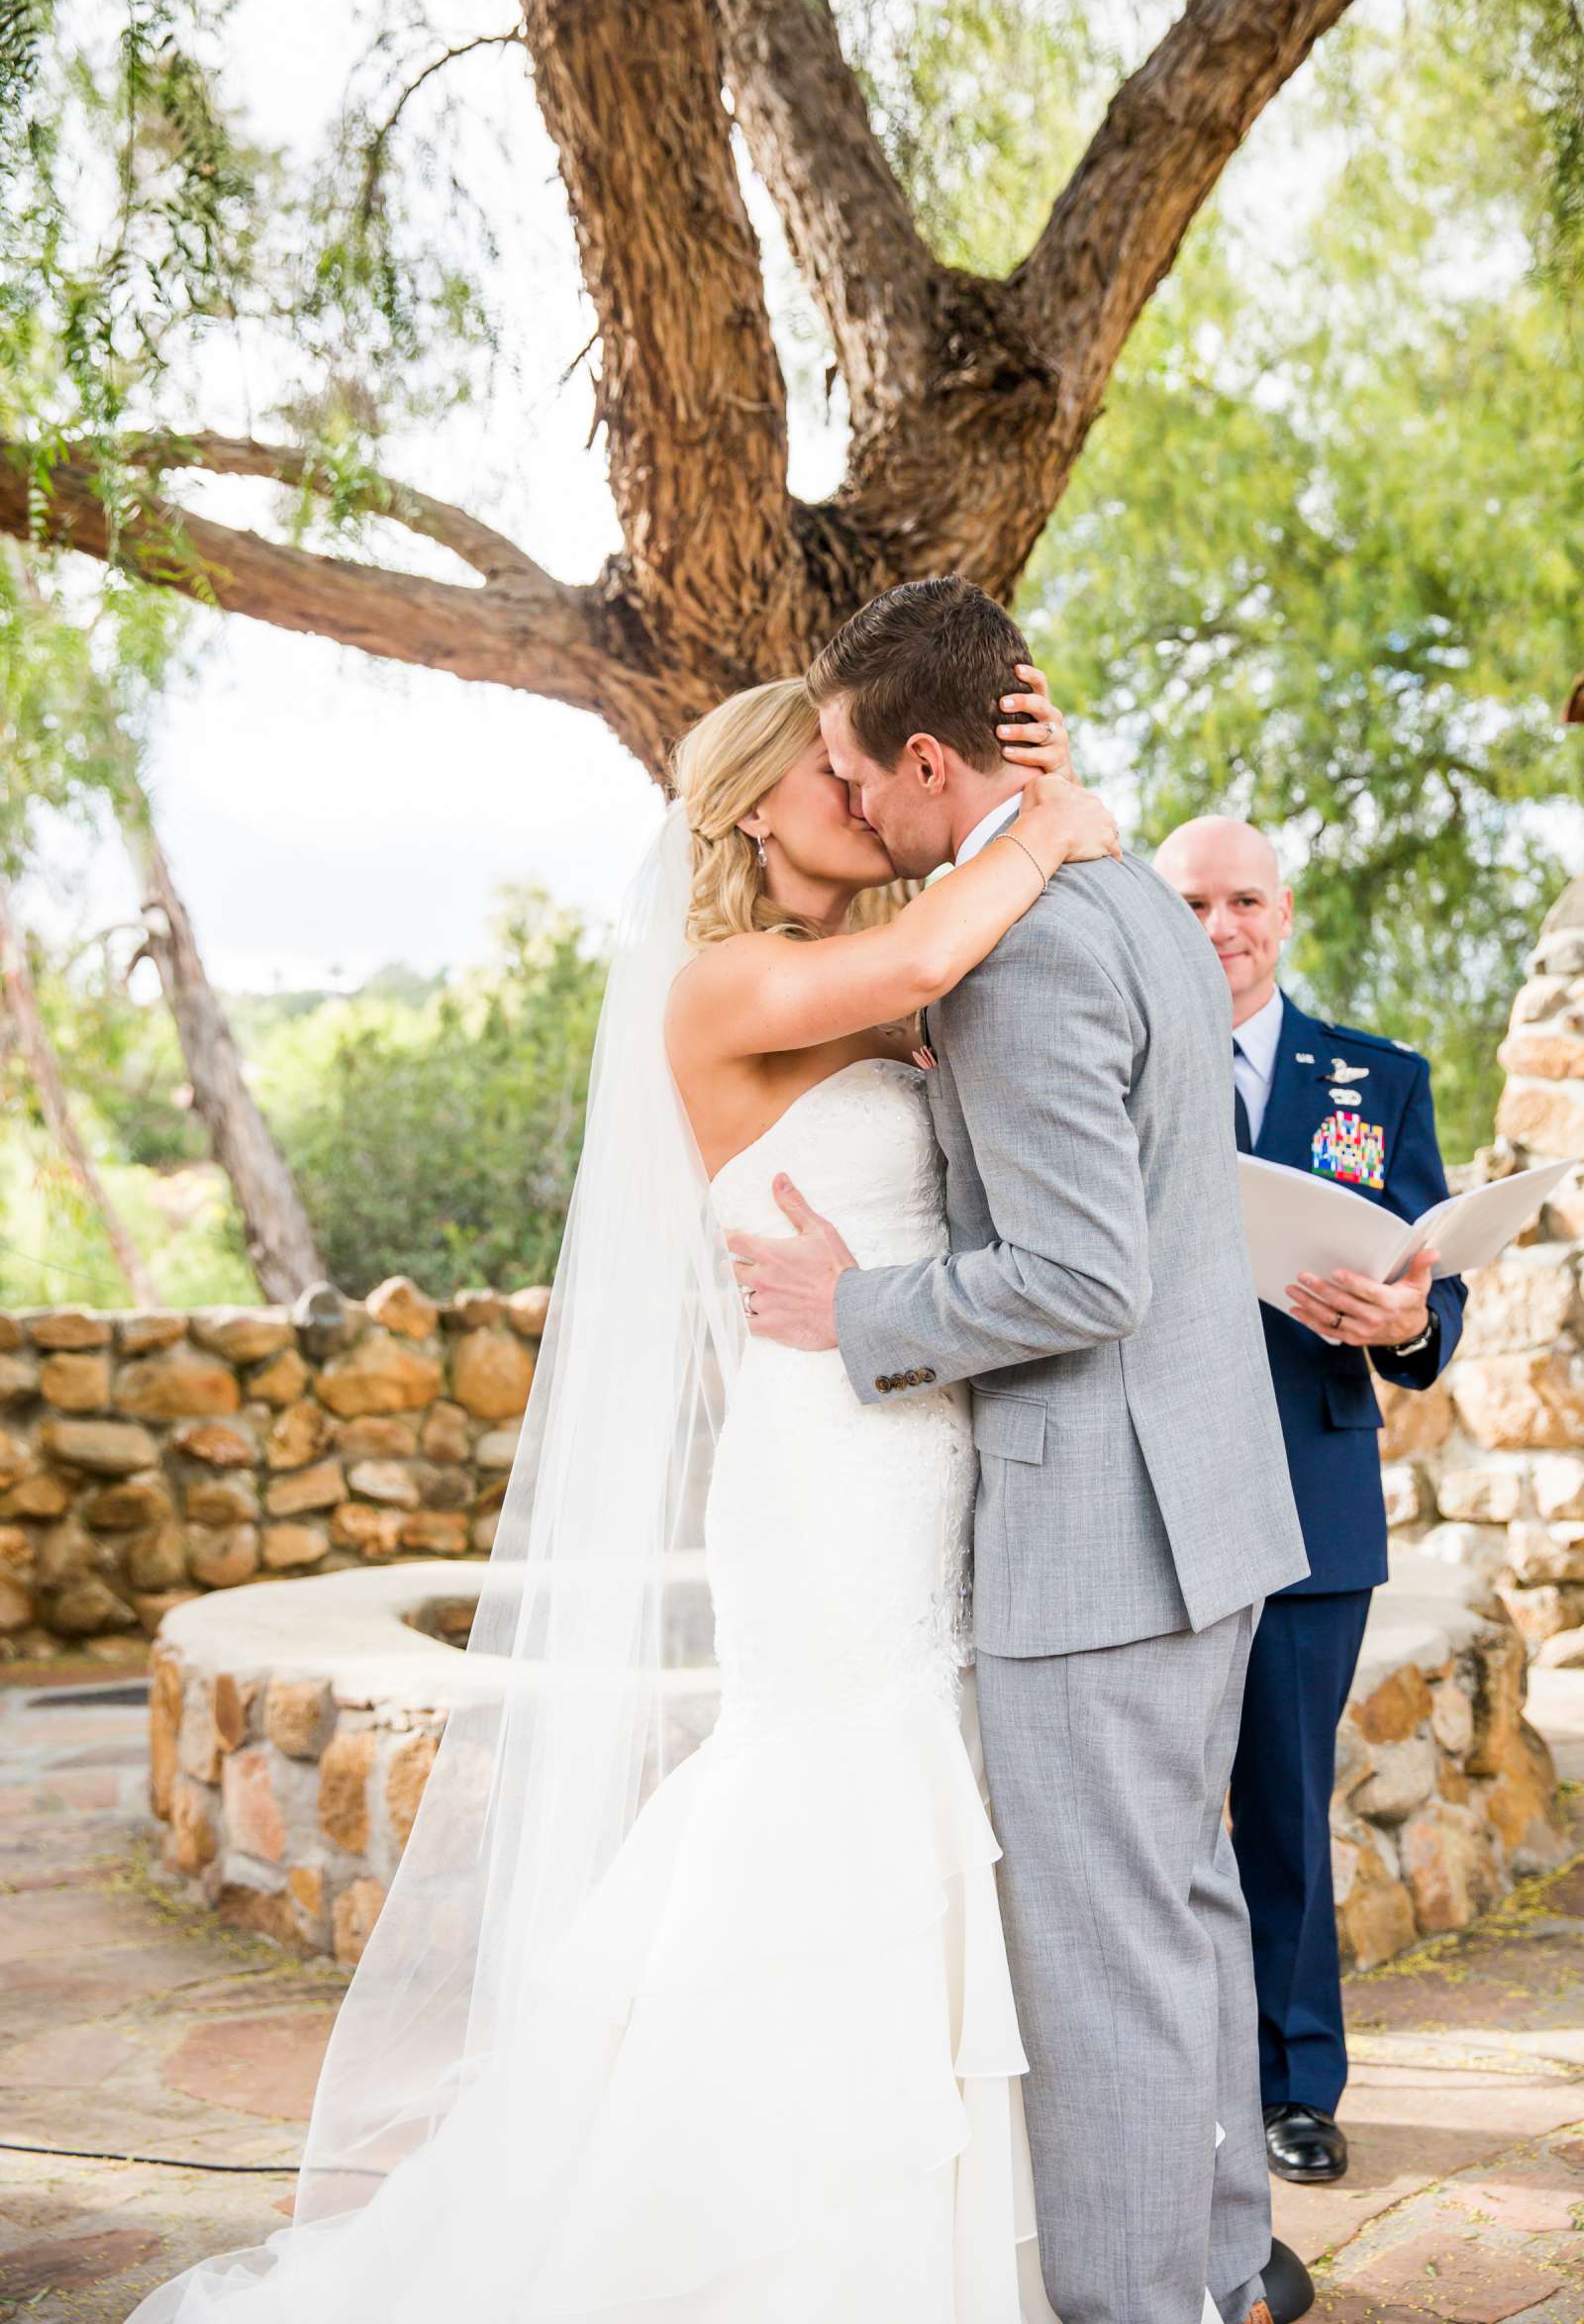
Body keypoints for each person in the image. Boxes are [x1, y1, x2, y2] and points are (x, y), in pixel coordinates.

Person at [125, 660, 1144, 2324]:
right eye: (831, 768)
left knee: (925, 1820)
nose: (863, 785)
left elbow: (981, 993)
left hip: (922, 1445)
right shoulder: (721, 984)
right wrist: (1057, 819)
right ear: (754, 803)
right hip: (824, 1478)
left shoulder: (847, 980)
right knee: (831, 1807)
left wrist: (1029, 803)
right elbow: (938, 947)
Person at [731, 577, 1312, 2324]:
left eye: (855, 770)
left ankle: (1146, 2305)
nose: (850, 805)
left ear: (926, 759)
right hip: (1200, 1510)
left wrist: (862, 1312)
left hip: (1099, 1538)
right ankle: (1218, 2267)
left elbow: (1079, 1270)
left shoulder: (1019, 947)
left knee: (1102, 1966)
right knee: (1188, 1916)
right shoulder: (1119, 890)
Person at [1152, 816, 1465, 2187]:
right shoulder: (1121, 1066)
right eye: (1193, 903)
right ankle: (1165, 2088)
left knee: (1280, 1801)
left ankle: (1294, 2085)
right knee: (1148, 1816)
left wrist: (1399, 1322)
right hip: (1142, 1488)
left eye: (1244, 901)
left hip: (1307, 1490)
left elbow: (1434, 1286)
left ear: (1286, 913)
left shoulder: (1377, 1079)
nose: (1219, 927)